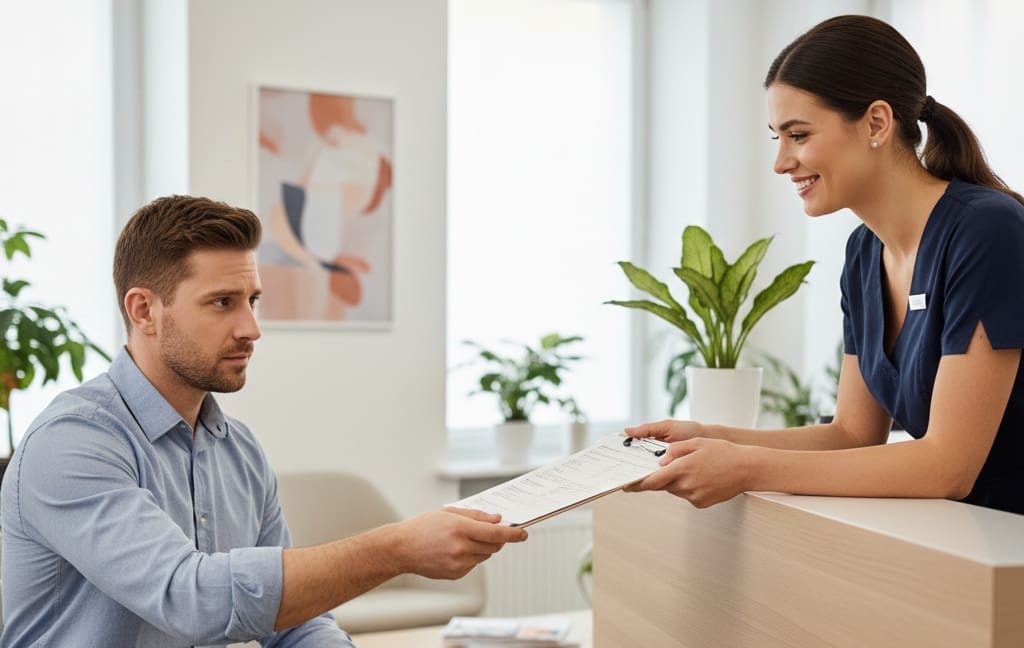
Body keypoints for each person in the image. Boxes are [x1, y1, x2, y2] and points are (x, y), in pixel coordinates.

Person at [0, 195, 527, 646]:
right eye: (223, 302)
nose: (251, 328)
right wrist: (395, 549)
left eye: (251, 300)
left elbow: (295, 624)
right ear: (143, 311)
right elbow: (191, 599)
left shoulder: (238, 450)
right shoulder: (73, 443)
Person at [625, 15, 1024, 516]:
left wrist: (746, 466)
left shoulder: (987, 231)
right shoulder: (863, 254)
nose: (782, 162)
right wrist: (708, 437)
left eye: (798, 134)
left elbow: (948, 466)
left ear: (877, 123)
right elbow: (853, 435)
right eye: (778, 137)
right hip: (962, 543)